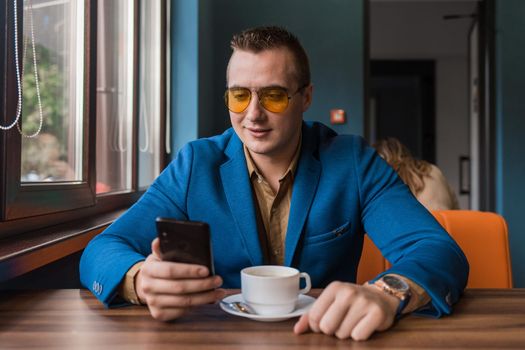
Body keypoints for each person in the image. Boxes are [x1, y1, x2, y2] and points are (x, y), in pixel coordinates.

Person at [80, 26, 468, 341]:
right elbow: (102, 249)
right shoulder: (195, 163)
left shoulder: (352, 160)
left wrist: (387, 293)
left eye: (274, 96)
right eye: (239, 96)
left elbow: (437, 250)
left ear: (305, 98)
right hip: (218, 340)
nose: (253, 115)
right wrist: (140, 280)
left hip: (325, 337)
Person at [373, 138, 460, 211]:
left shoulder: (389, 176)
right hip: (446, 228)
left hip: (418, 228)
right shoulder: (433, 170)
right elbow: (456, 210)